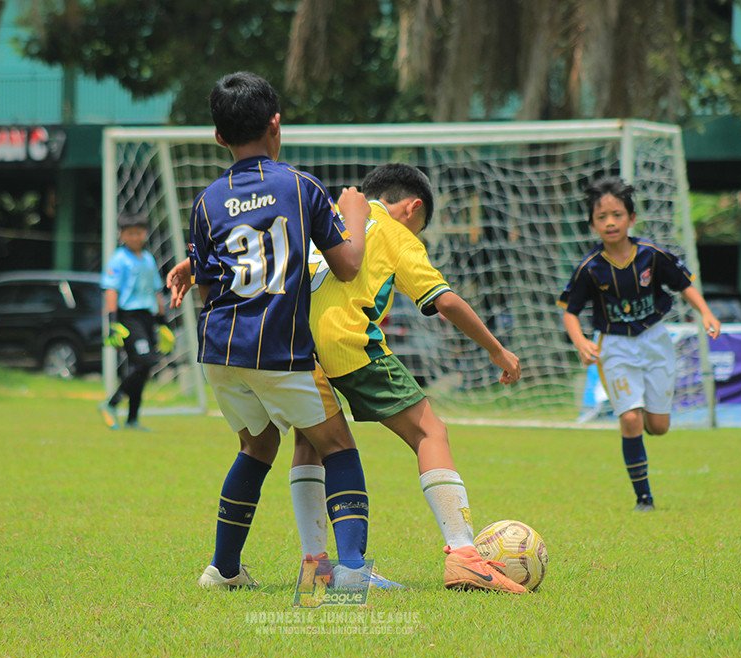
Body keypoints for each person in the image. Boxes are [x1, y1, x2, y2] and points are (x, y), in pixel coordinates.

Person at [172, 163, 527, 594]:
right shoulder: (396, 232)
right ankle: (464, 556)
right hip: (348, 341)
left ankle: (315, 564)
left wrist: (195, 266)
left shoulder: (329, 219)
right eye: (420, 225)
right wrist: (496, 349)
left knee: (311, 442)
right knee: (429, 430)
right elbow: (445, 301)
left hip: (297, 343)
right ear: (412, 208)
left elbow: (268, 250)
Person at [175, 71, 395, 591]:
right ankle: (352, 572)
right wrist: (356, 215)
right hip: (279, 350)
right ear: (276, 124)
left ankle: (223, 570)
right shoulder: (301, 187)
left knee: (258, 446)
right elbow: (346, 266)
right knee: (337, 444)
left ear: (218, 137)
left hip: (221, 351)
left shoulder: (206, 202)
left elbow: (209, 285)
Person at [558, 176, 721, 512]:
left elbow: (684, 285)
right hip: (614, 347)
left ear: (631, 218)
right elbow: (569, 312)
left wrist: (705, 312)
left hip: (656, 340)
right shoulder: (590, 268)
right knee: (630, 419)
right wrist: (580, 342)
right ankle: (643, 498)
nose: (610, 222)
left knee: (658, 427)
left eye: (617, 214)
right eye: (601, 217)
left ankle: (646, 410)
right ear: (592, 224)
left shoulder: (651, 255)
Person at [98, 212, 167, 431]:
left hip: (147, 316)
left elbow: (157, 291)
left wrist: (163, 322)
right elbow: (111, 290)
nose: (135, 237)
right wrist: (112, 322)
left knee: (144, 367)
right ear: (122, 235)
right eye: (130, 233)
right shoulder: (118, 259)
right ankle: (111, 403)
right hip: (128, 317)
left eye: (138, 232)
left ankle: (132, 419)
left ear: (145, 233)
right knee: (144, 361)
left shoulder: (148, 258)